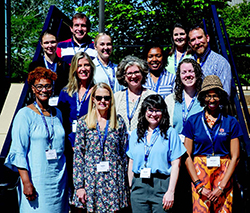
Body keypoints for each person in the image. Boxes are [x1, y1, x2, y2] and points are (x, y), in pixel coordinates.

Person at [4, 67, 68, 212]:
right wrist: (26, 182)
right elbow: (18, 151)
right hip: (37, 181)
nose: (44, 90)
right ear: (33, 89)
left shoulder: (58, 113)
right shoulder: (24, 115)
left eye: (48, 86)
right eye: (39, 86)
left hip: (58, 182)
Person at [182, 75, 242, 213]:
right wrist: (198, 185)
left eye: (215, 95)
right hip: (199, 173)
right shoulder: (193, 121)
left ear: (220, 97)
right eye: (208, 96)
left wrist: (221, 186)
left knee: (224, 210)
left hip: (223, 172)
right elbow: (187, 155)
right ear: (203, 98)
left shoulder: (230, 121)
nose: (212, 99)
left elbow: (236, 157)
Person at [72, 82, 129, 212]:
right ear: (93, 99)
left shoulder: (119, 122)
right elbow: (79, 156)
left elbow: (123, 154)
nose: (103, 101)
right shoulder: (83, 123)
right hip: (92, 179)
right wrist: (79, 186)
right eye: (99, 98)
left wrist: (125, 185)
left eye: (106, 98)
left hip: (114, 179)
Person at [127, 94, 186, 213]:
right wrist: (131, 188)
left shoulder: (170, 133)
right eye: (150, 110)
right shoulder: (135, 134)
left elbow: (176, 164)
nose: (153, 114)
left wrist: (170, 191)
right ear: (144, 111)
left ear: (163, 112)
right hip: (139, 186)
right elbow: (131, 162)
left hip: (161, 185)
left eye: (157, 110)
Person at [115, 55, 156, 134]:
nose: (133, 76)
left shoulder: (152, 96)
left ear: (142, 73)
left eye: (136, 72)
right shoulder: (116, 97)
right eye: (129, 73)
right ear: (124, 76)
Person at [165, 58, 203, 141]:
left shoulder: (204, 99)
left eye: (191, 71)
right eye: (184, 72)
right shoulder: (170, 100)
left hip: (198, 147)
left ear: (197, 73)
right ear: (179, 76)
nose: (188, 75)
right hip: (176, 146)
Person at [188, 24, 231, 96]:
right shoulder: (188, 63)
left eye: (200, 37)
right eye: (193, 40)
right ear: (189, 44)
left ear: (207, 38)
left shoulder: (220, 63)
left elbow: (225, 95)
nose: (197, 42)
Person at [29, 30, 70, 97]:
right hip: (41, 102)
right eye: (46, 43)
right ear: (41, 44)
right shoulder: (34, 66)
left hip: (60, 103)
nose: (50, 46)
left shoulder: (64, 66)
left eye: (52, 42)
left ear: (57, 43)